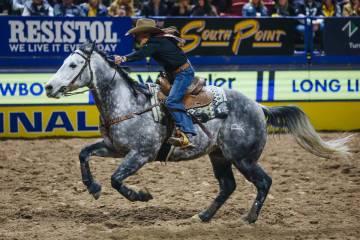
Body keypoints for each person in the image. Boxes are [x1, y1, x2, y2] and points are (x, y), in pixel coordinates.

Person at [114, 18, 197, 148]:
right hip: (174, 73)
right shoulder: (158, 40)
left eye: (137, 35)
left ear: (145, 33)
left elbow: (142, 54)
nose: (135, 37)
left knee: (171, 101)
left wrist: (124, 58)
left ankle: (188, 134)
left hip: (183, 74)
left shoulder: (155, 42)